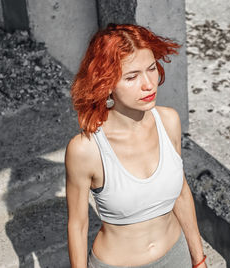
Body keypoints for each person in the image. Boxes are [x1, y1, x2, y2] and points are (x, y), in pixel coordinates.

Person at [65, 24, 207, 268]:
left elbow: (181, 193)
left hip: (177, 257)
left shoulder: (169, 121)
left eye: (151, 69)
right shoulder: (86, 149)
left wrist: (198, 259)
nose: (148, 84)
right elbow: (78, 225)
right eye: (132, 77)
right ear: (105, 83)